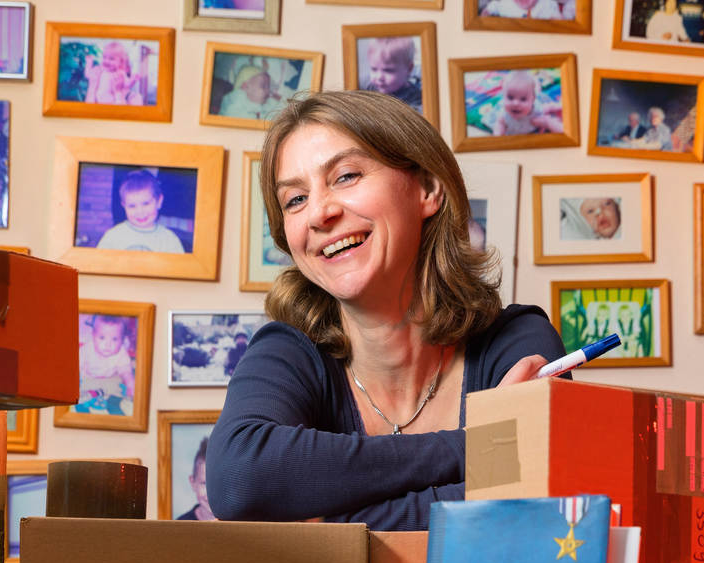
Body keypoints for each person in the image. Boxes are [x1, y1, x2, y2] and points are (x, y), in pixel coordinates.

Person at [205, 90, 565, 531]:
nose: (318, 213)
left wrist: (321, 524)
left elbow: (536, 502)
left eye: (346, 176)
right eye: (295, 200)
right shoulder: (287, 352)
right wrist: (475, 447)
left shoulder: (517, 341)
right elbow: (239, 480)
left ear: (427, 189)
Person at [96, 170, 185, 253]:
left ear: (159, 202)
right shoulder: (112, 237)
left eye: (146, 203)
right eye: (132, 206)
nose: (140, 212)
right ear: (124, 206)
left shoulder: (169, 240)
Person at [75, 315, 135, 415]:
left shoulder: (121, 353)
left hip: (111, 378)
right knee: (81, 392)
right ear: (93, 336)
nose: (108, 344)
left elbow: (126, 371)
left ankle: (113, 403)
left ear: (122, 340)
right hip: (89, 378)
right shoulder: (86, 350)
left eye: (114, 339)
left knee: (119, 390)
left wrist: (130, 384)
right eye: (102, 338)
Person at [492, 71, 562, 136]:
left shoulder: (536, 110)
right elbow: (499, 124)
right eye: (510, 97)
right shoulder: (504, 114)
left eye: (523, 99)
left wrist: (548, 121)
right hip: (514, 133)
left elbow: (544, 110)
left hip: (534, 121)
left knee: (545, 107)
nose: (515, 103)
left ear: (532, 100)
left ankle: (553, 104)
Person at [362, 38, 422, 111]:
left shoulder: (416, 100)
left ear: (409, 69)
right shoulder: (368, 86)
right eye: (374, 69)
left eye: (388, 70)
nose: (379, 77)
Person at [217, 64, 282, 120]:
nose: (268, 91)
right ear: (245, 86)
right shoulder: (236, 102)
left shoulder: (264, 103)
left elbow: (272, 115)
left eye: (268, 87)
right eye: (263, 86)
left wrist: (277, 102)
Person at [177, 438, 217, 521]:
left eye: (217, 483)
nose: (211, 494)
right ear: (193, 483)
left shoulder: (238, 523)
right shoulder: (181, 524)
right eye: (204, 483)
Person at [480, 0, 563, 18]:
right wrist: (486, 12)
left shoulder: (546, 4)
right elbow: (493, 7)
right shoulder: (505, 3)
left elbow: (557, 18)